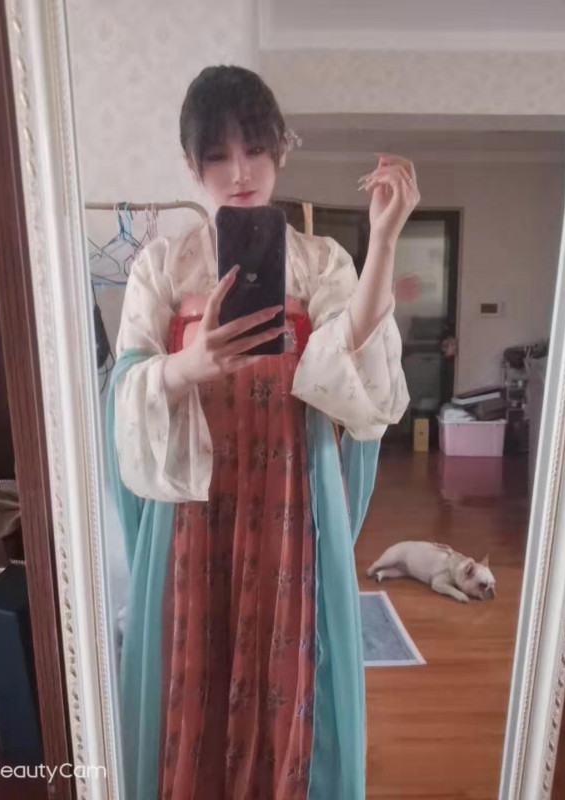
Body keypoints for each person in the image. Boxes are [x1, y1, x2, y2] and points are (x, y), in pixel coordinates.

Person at [106, 65, 416, 800]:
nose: (240, 172)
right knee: (192, 667)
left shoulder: (322, 262)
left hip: (290, 505)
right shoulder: (162, 266)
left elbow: (355, 360)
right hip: (195, 511)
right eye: (217, 155)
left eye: (254, 149)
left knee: (292, 671)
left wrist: (383, 241)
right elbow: (123, 394)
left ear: (280, 150)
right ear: (192, 165)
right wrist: (188, 365)